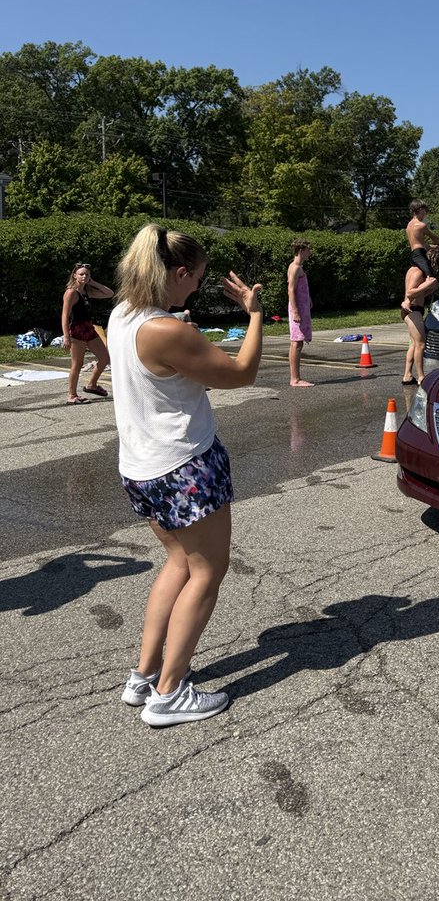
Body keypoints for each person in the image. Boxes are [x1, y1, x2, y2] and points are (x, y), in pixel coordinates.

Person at [108, 222, 263, 727]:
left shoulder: (122, 315)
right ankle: (170, 693)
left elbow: (172, 385)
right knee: (207, 573)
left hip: (141, 469)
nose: (197, 285)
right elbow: (242, 373)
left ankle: (144, 676)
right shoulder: (168, 329)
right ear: (177, 273)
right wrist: (256, 316)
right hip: (184, 468)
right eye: (195, 277)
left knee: (177, 562)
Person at [61, 263, 114, 405]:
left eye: (87, 274)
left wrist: (93, 282)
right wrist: (66, 336)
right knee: (77, 364)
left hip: (89, 328)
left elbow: (109, 293)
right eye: (81, 274)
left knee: (105, 358)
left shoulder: (87, 291)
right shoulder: (71, 292)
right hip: (76, 330)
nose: (84, 276)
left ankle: (92, 385)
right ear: (75, 276)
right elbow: (65, 316)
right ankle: (71, 396)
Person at [401, 246, 439, 386]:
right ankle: (421, 377)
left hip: (414, 309)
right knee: (420, 344)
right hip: (412, 309)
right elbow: (410, 293)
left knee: (414, 344)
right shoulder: (418, 272)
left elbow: (418, 293)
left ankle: (407, 375)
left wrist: (430, 288)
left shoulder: (414, 269)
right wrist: (427, 284)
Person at [403, 199, 439, 315]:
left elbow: (421, 245)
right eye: (424, 211)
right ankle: (408, 301)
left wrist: (435, 248)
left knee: (427, 283)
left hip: (414, 254)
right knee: (432, 282)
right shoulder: (421, 225)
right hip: (420, 256)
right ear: (418, 210)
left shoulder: (409, 225)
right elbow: (435, 238)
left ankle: (412, 299)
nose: (425, 214)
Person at [287, 239, 314, 387]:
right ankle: (295, 379)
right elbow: (291, 289)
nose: (309, 253)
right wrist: (296, 312)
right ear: (301, 251)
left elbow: (299, 288)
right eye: (308, 250)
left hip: (302, 308)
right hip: (297, 309)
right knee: (296, 343)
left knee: (298, 343)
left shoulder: (298, 267)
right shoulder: (295, 267)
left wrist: (308, 298)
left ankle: (296, 377)